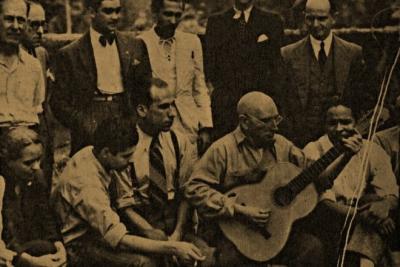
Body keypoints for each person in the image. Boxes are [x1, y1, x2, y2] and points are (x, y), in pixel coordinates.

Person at [184, 91, 363, 266]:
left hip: (276, 233)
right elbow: (194, 188)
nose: (275, 127)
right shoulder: (222, 150)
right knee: (230, 261)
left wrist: (345, 156)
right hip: (233, 233)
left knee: (312, 249)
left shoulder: (281, 144)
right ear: (244, 122)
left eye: (276, 119)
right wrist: (237, 209)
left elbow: (320, 179)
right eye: (266, 121)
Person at [52, 117, 206, 266]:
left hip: (98, 229)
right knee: (145, 263)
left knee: (158, 239)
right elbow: (119, 238)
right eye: (126, 156)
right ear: (106, 152)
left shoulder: (93, 152)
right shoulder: (87, 185)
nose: (131, 160)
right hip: (79, 242)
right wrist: (174, 248)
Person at [112, 78, 215, 266]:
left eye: (173, 105)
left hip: (175, 223)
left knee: (205, 259)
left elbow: (186, 193)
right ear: (142, 110)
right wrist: (158, 239)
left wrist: (176, 235)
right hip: (142, 227)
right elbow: (125, 205)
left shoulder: (179, 141)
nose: (172, 113)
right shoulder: (125, 144)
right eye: (164, 107)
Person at [303, 100, 399, 267]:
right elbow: (323, 202)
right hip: (328, 219)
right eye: (333, 123)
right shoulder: (313, 150)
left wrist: (383, 206)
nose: (340, 128)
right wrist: (364, 216)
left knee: (374, 202)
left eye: (346, 122)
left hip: (359, 217)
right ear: (324, 126)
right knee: (372, 218)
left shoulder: (372, 149)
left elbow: (391, 192)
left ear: (356, 123)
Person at [50, 0, 151, 155]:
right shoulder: (70, 53)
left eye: (118, 11)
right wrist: (82, 122)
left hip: (124, 113)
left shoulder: (135, 45)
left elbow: (144, 88)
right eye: (108, 11)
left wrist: (135, 118)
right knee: (91, 170)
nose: (115, 17)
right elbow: (58, 102)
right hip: (91, 117)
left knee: (128, 167)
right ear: (92, 12)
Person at [280, 0, 367, 147]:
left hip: (340, 142)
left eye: (321, 18)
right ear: (304, 17)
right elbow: (282, 101)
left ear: (334, 17)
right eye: (310, 18)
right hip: (300, 141)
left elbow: (360, 99)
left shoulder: (353, 53)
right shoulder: (287, 54)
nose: (315, 24)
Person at [138, 0, 212, 155]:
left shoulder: (192, 42)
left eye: (178, 15)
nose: (173, 21)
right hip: (157, 123)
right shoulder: (141, 42)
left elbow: (199, 87)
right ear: (155, 13)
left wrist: (205, 126)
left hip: (189, 124)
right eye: (168, 14)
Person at [204, 0, 284, 140]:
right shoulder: (216, 22)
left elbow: (277, 70)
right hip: (226, 108)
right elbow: (211, 68)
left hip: (259, 109)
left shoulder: (272, 21)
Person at [0, 127, 67, 267]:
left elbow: (46, 216)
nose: (36, 167)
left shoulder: (36, 177)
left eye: (38, 160)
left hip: (29, 246)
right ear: (8, 161)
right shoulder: (2, 186)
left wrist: (59, 246)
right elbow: (7, 234)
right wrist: (30, 261)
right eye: (28, 162)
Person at [0, 0, 45, 131]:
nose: (15, 26)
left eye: (20, 20)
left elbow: (38, 111)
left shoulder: (34, 66)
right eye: (9, 19)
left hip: (27, 139)